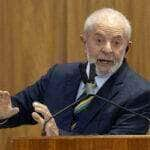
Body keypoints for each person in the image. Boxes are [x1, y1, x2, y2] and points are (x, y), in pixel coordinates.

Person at [0, 8, 150, 135]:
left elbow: (117, 147)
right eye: (99, 40)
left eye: (117, 43)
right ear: (84, 42)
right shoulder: (59, 75)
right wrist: (3, 113)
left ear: (127, 48)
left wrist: (60, 137)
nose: (107, 49)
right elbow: (19, 107)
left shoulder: (139, 94)